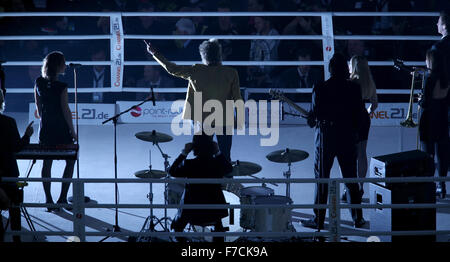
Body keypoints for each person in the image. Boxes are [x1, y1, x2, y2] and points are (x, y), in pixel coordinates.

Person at [145, 39, 243, 162]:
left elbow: (172, 69)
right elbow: (237, 97)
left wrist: (155, 54)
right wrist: (240, 118)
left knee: (202, 155)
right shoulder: (231, 73)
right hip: (224, 119)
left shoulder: (195, 70)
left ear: (203, 55)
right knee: (225, 155)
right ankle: (226, 179)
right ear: (219, 54)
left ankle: (203, 179)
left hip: (203, 119)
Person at [301, 53, 366, 230]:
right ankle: (358, 218)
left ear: (330, 69)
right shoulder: (354, 89)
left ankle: (319, 219)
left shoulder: (320, 88)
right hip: (346, 138)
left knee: (322, 178)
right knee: (350, 178)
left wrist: (311, 119)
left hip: (325, 139)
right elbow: (360, 115)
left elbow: (313, 118)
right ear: (346, 70)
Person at [168, 134, 233, 242]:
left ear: (195, 147)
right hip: (213, 212)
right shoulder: (217, 164)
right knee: (219, 227)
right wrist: (218, 152)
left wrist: (184, 152)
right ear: (212, 146)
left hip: (192, 212)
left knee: (177, 226)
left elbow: (171, 171)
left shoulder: (189, 164)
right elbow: (229, 169)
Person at [34, 51, 76, 212]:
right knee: (70, 161)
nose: (65, 65)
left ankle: (48, 200)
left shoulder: (38, 82)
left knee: (47, 162)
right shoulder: (62, 87)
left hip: (46, 128)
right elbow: (66, 110)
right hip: (61, 129)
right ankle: (62, 198)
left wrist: (45, 120)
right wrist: (72, 131)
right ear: (58, 66)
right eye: (63, 62)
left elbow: (38, 107)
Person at [341, 55, 378, 200]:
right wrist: (366, 113)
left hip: (350, 119)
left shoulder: (350, 82)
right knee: (362, 152)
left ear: (353, 66)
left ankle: (348, 188)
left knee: (347, 154)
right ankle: (361, 187)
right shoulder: (370, 82)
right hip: (363, 117)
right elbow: (374, 105)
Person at [0, 89, 34, 242]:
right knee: (15, 209)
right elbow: (16, 147)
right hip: (9, 175)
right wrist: (27, 135)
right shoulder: (9, 122)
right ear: (1, 102)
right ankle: (16, 238)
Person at [419, 49, 449, 199]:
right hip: (442, 118)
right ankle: (442, 186)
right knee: (442, 155)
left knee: (428, 155)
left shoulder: (429, 79)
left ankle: (428, 186)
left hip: (428, 119)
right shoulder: (446, 79)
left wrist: (419, 99)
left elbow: (424, 102)